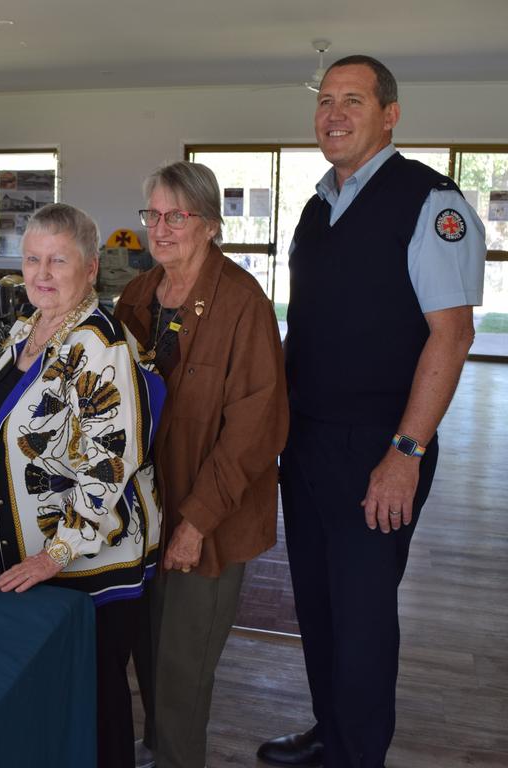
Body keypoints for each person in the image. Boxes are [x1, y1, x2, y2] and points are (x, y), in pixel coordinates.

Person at [257, 56, 485, 768]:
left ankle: (359, 755)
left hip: (379, 450)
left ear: (390, 115)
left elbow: (453, 334)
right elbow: (310, 326)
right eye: (325, 101)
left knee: (361, 622)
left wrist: (405, 453)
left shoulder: (430, 202)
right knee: (318, 610)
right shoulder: (317, 204)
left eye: (353, 100)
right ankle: (331, 730)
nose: (334, 114)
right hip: (310, 443)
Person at [0, 203, 166, 768]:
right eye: (31, 259)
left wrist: (57, 554)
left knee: (96, 703)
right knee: (59, 698)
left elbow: (108, 462)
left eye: (58, 260)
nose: (41, 273)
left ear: (91, 268)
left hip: (84, 563)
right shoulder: (30, 328)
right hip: (32, 555)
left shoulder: (99, 344)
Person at [114, 162, 288, 768]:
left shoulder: (243, 304)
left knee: (183, 670)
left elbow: (254, 431)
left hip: (206, 520)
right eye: (152, 215)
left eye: (177, 216)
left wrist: (194, 523)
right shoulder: (137, 295)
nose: (160, 229)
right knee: (148, 656)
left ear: (210, 225)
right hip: (141, 515)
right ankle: (159, 749)